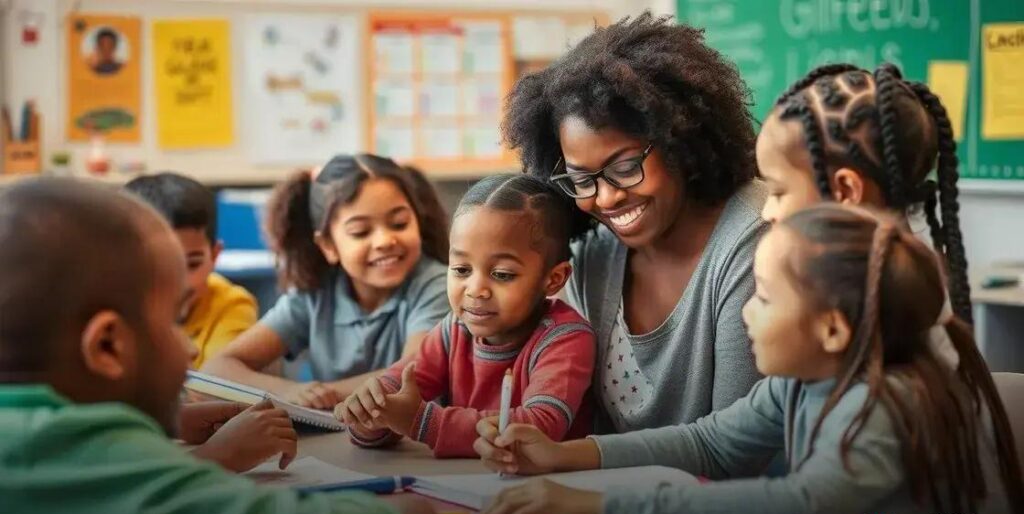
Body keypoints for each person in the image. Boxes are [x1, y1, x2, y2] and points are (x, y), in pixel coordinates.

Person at [471, 205, 1021, 514]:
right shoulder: (801, 383)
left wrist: (595, 510)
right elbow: (710, 443)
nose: (746, 313)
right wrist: (565, 454)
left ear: (832, 330)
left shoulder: (877, 402)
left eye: (763, 297)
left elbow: (807, 510)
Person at [0, 177, 447, 514]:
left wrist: (170, 418)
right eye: (175, 320)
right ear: (108, 346)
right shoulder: (57, 450)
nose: (191, 346)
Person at [503, 12, 767, 433]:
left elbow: (735, 449)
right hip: (609, 495)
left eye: (625, 167)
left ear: (680, 140)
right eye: (581, 179)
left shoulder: (752, 235)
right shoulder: (592, 253)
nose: (606, 197)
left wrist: (576, 462)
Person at [337, 175, 595, 457]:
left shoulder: (566, 338)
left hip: (545, 490)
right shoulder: (454, 329)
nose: (476, 290)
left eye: (502, 274)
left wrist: (421, 421)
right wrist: (369, 412)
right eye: (461, 270)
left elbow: (541, 427)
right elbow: (399, 386)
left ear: (554, 279)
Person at [204, 154, 450, 409]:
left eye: (399, 224)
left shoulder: (436, 285)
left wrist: (323, 394)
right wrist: (289, 391)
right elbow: (218, 368)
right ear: (328, 246)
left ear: (418, 222)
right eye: (360, 232)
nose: (385, 240)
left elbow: (415, 374)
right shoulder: (314, 294)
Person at [758, 62, 972, 323]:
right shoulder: (910, 280)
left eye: (778, 192)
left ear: (846, 190)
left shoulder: (867, 305)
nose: (765, 212)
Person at [125, 172, 258, 369]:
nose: (178, 283)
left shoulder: (232, 305)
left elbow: (217, 385)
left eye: (192, 264)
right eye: (158, 264)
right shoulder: (110, 305)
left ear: (214, 256)